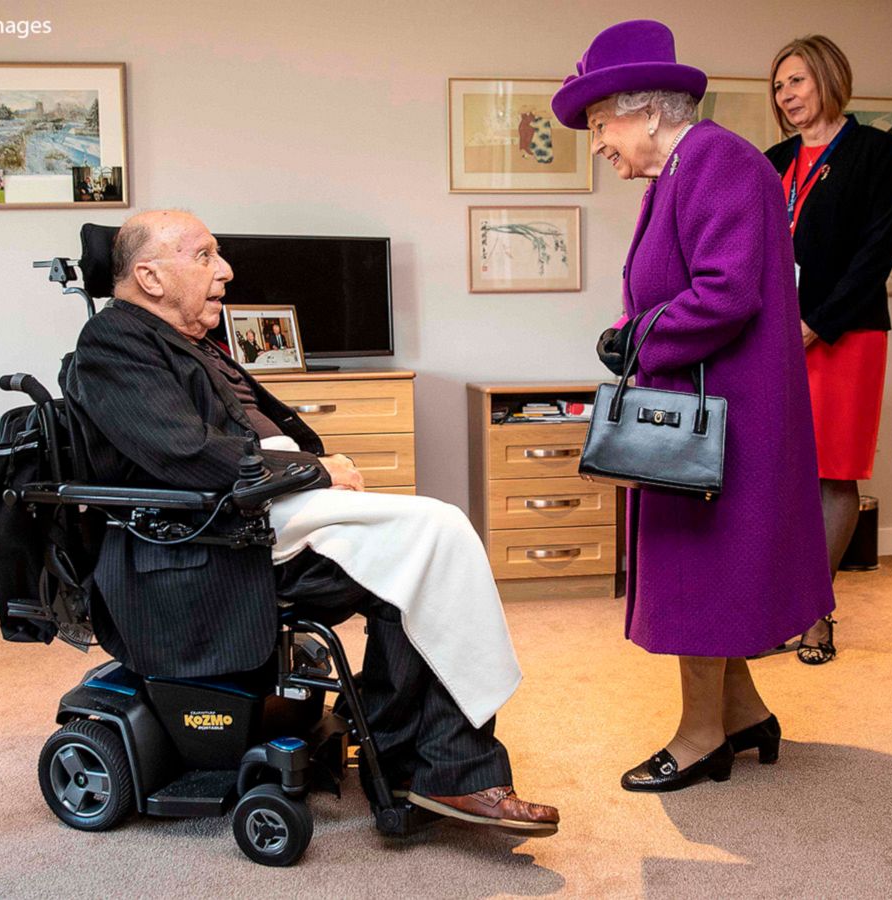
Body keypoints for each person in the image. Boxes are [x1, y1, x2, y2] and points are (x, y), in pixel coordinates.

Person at [59, 209, 559, 834]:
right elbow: (182, 455)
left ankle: (428, 767)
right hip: (214, 538)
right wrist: (315, 471)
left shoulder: (184, 340)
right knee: (438, 529)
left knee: (422, 561)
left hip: (261, 512)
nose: (226, 270)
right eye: (206, 255)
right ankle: (453, 772)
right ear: (150, 277)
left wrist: (308, 470)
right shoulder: (114, 342)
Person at [551, 19, 833, 791]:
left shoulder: (714, 160)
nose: (600, 143)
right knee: (705, 569)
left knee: (702, 573)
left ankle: (702, 735)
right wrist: (630, 331)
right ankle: (742, 713)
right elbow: (679, 286)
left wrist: (638, 337)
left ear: (644, 110)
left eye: (600, 124)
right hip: (700, 405)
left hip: (722, 416)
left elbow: (726, 291)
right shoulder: (683, 169)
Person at [763, 36, 892, 664]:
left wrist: (818, 323)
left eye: (794, 81)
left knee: (832, 471)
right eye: (777, 87)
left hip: (846, 333)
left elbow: (877, 252)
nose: (786, 95)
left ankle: (817, 615)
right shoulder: (773, 160)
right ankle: (778, 607)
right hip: (776, 335)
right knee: (779, 470)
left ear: (826, 77)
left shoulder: (876, 151)